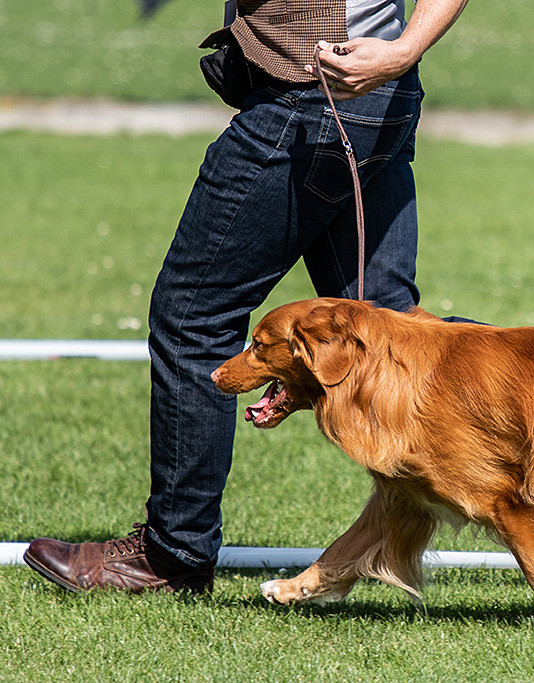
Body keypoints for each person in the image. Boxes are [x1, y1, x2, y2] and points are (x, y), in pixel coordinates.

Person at [23, 0, 469, 594]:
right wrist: (403, 50)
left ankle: (172, 554)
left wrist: (408, 46)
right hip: (380, 95)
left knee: (193, 317)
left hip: (311, 98)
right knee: (392, 332)